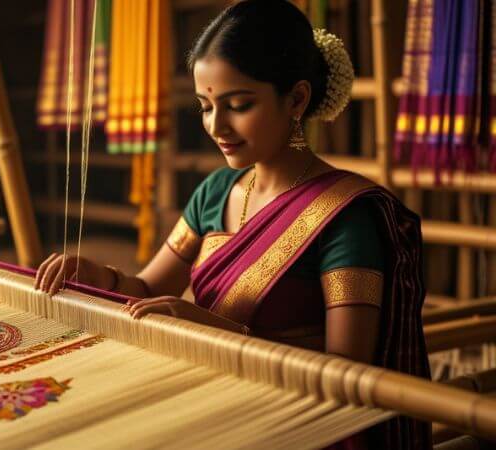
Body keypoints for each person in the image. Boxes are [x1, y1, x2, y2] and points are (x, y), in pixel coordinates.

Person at [34, 1, 430, 447]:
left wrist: (214, 331)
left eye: (238, 104)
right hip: (213, 404)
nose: (216, 126)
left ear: (297, 99)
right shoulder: (216, 191)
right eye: (205, 107)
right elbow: (145, 291)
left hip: (297, 428)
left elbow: (346, 373)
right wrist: (94, 276)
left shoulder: (344, 216)